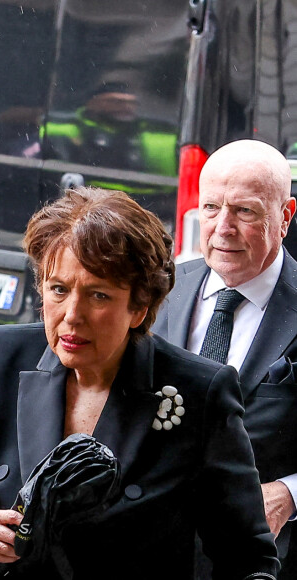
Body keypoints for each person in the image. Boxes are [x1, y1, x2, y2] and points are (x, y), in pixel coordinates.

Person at [0, 186, 279, 579]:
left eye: (98, 295)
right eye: (58, 289)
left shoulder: (200, 391)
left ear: (139, 307)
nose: (72, 315)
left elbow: (247, 557)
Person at [152, 139, 297, 577]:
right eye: (211, 207)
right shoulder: (161, 290)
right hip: (154, 548)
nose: (222, 228)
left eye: (245, 211)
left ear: (285, 217)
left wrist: (290, 494)